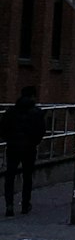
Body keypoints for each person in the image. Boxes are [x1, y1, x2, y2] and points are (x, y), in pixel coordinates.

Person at [1, 87, 46, 216]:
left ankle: (9, 205)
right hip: (29, 148)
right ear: (33, 96)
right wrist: (34, 142)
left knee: (10, 176)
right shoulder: (37, 112)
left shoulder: (11, 111)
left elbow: (3, 128)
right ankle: (25, 204)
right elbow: (41, 131)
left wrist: (9, 139)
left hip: (13, 147)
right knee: (27, 177)